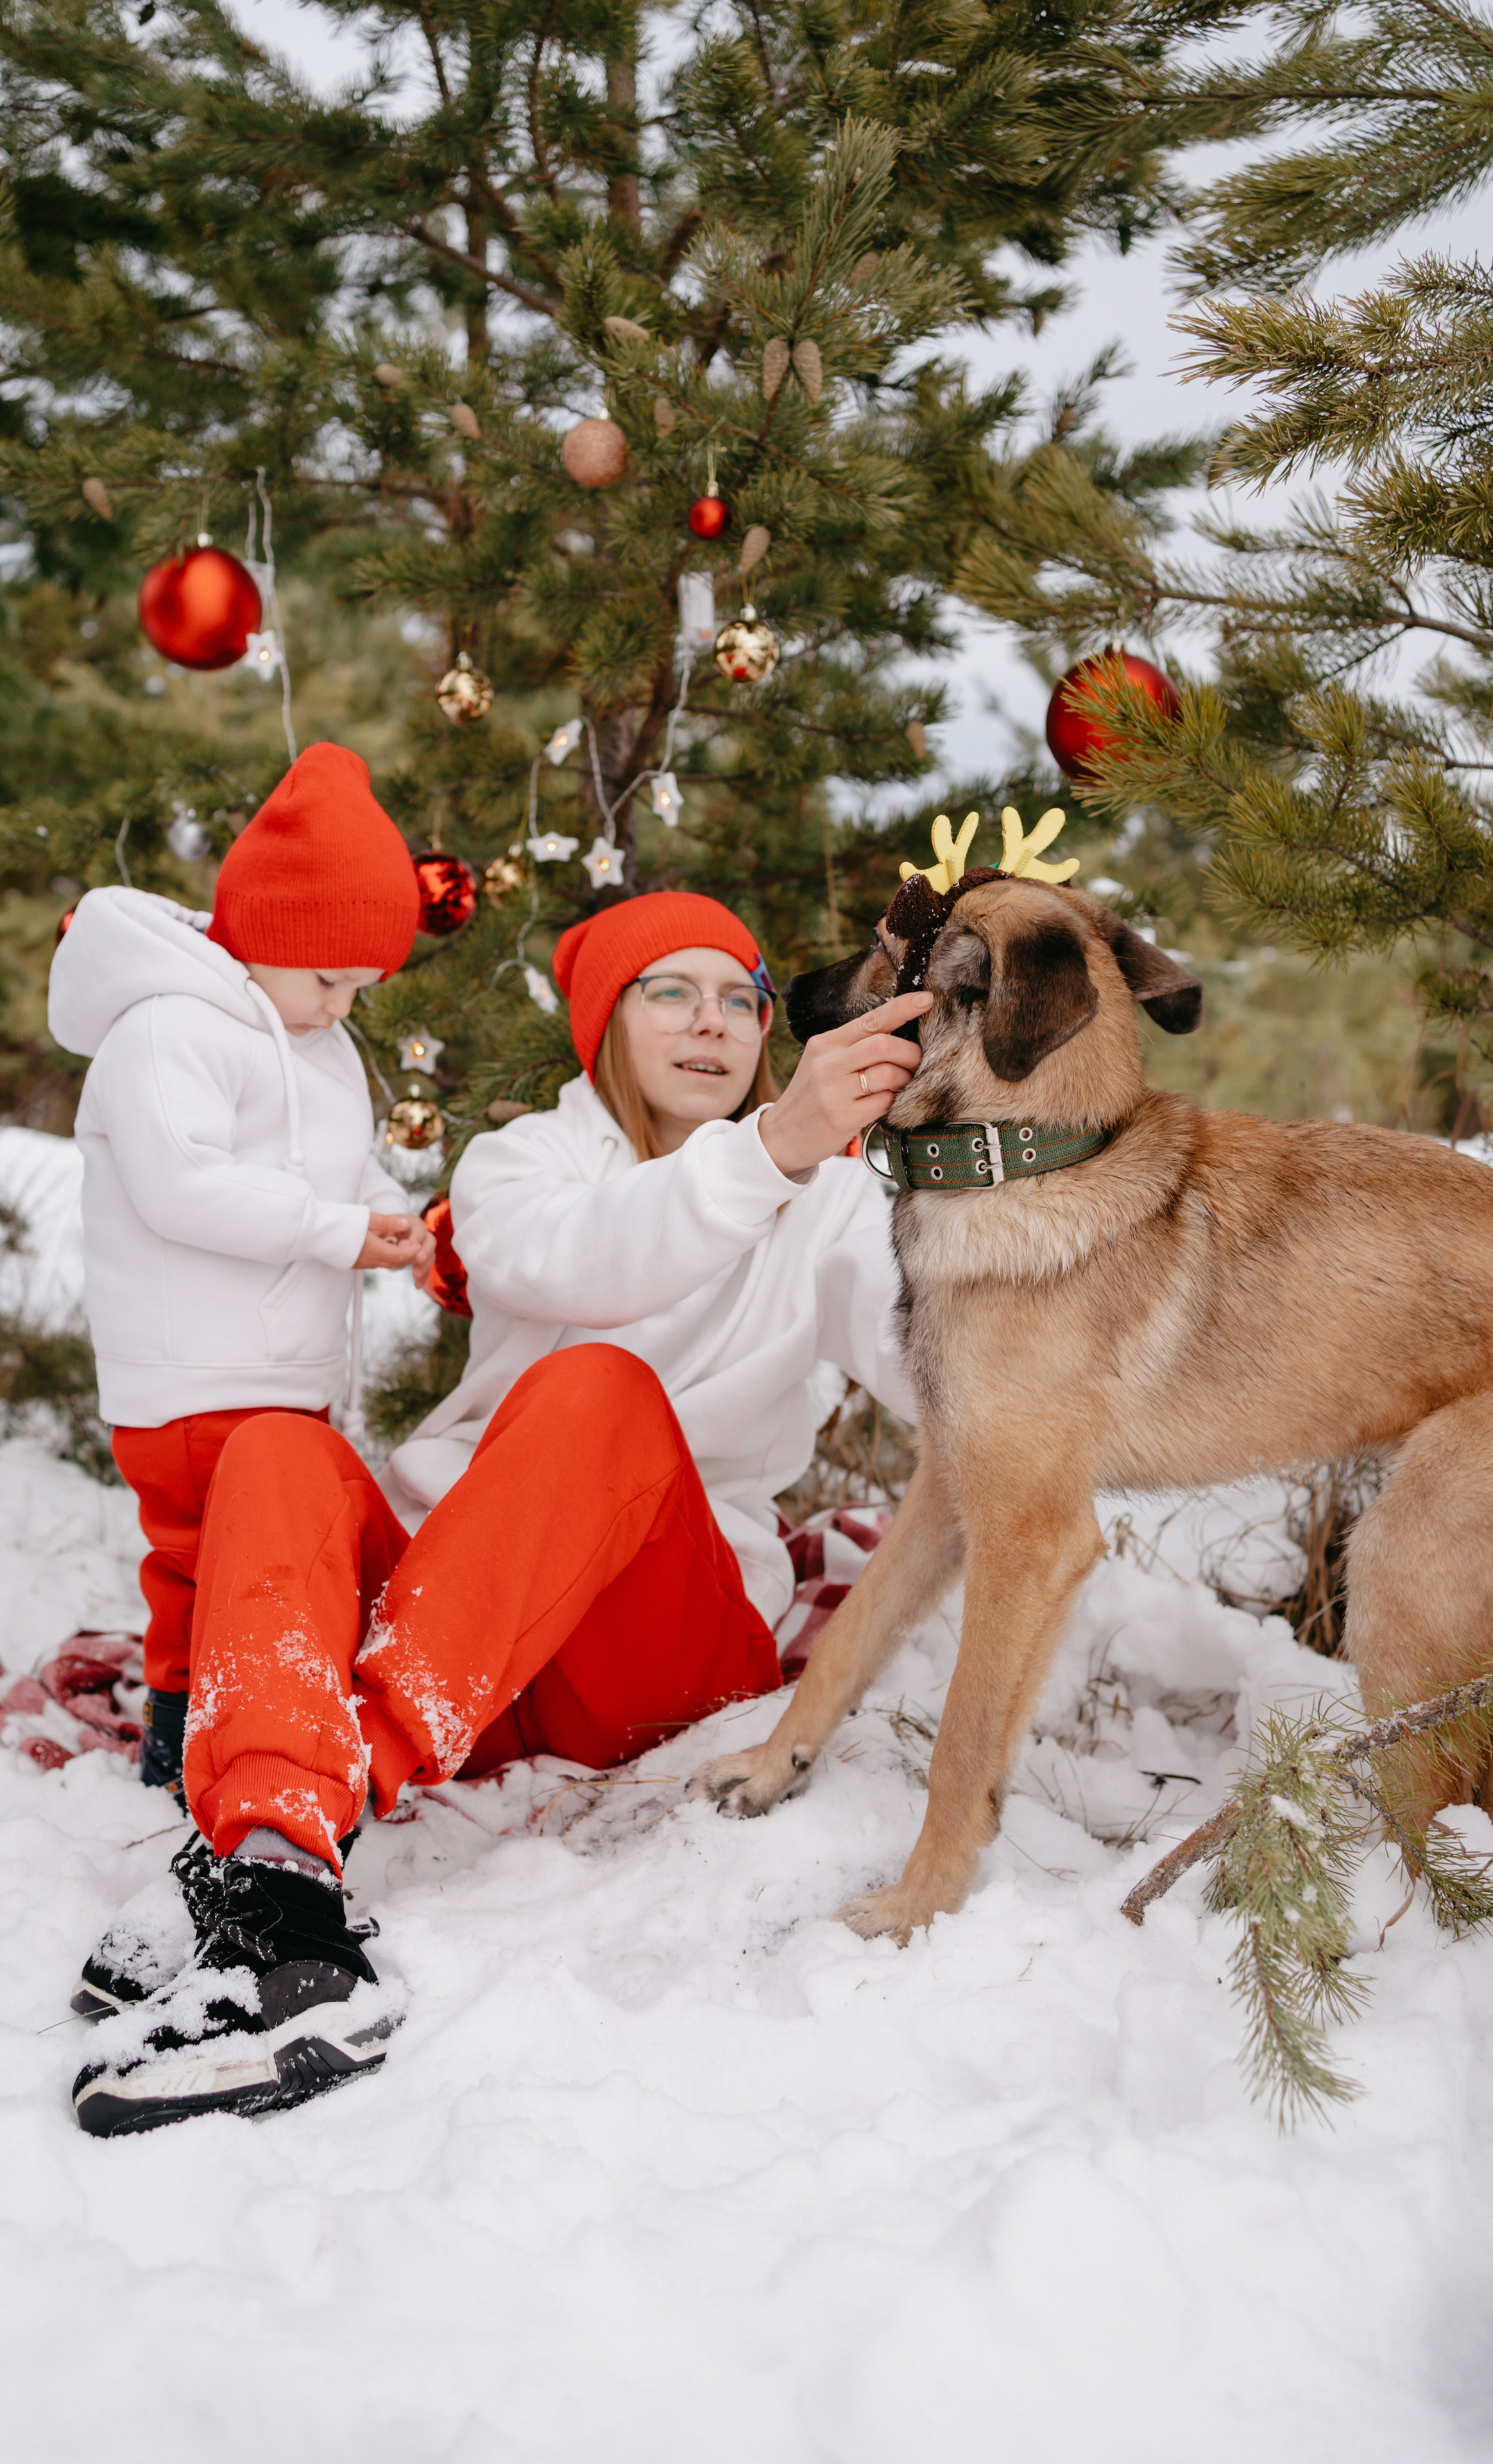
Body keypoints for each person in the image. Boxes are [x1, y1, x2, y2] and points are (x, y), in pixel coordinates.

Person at [70, 887, 932, 2137]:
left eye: (739, 1001)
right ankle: (275, 1882)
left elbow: (937, 1366)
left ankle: (301, 1808)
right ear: (605, 1022)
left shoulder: (832, 1200)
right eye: (670, 992)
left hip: (638, 1654)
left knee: (599, 1393)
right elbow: (581, 1261)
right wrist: (769, 1149)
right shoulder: (520, 1164)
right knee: (275, 1450)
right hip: (451, 1621)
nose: (712, 1023)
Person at [48, 741, 436, 1804]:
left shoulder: (318, 1042)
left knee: (263, 1561)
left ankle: (258, 1712)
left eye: (362, 989)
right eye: (329, 980)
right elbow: (182, 1186)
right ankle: (182, 1733)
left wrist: (386, 1213)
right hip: (192, 1373)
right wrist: (335, 1230)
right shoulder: (167, 1031)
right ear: (268, 937)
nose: (342, 1008)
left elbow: (340, 1164)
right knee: (198, 1566)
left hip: (286, 1369)